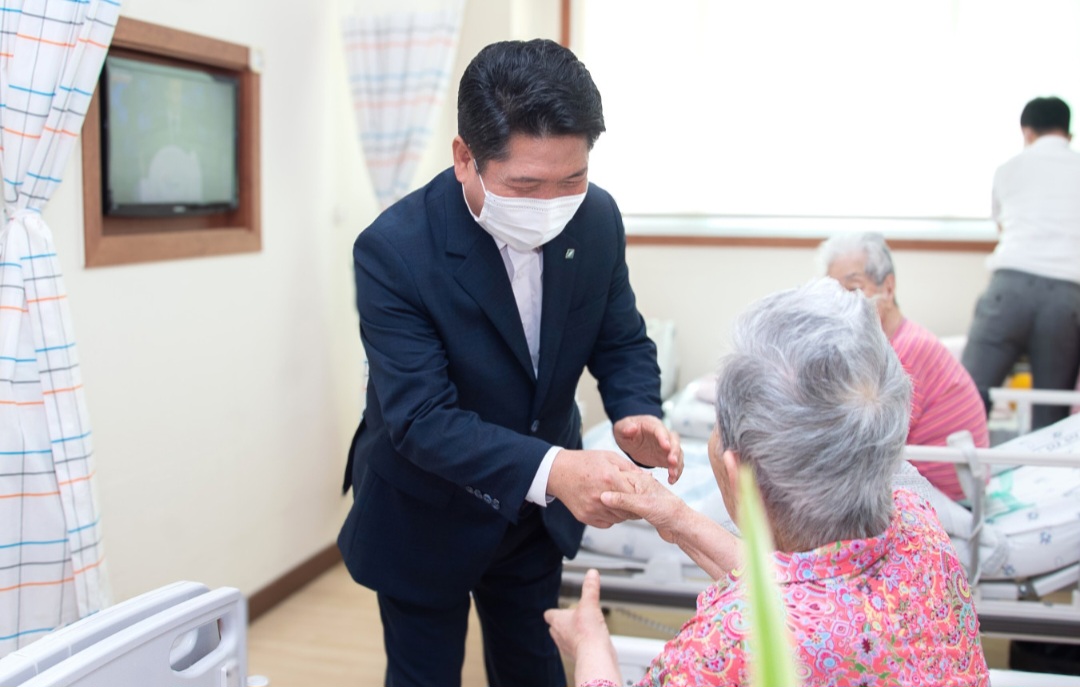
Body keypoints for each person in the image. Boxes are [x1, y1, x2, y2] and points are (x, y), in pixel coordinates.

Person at [338, 39, 682, 687]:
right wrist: (557, 469)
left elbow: (621, 337)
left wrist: (636, 408)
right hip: (424, 509)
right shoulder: (394, 251)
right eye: (526, 185)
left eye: (572, 179)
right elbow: (421, 419)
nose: (553, 203)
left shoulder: (598, 218)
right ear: (465, 157)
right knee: (424, 676)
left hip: (532, 517)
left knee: (533, 669)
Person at [546, 278, 991, 687]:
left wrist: (591, 646)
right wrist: (674, 516)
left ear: (743, 478)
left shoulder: (728, 644)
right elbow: (802, 585)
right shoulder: (922, 531)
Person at [819, 232, 989, 501]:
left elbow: (869, 443)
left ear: (888, 287)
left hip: (948, 495)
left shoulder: (905, 351)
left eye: (853, 290)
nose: (841, 306)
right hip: (927, 483)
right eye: (833, 294)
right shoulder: (890, 344)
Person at [962, 96, 1080, 431]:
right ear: (1068, 133)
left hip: (1009, 289)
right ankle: (1043, 481)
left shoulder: (1008, 169)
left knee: (970, 395)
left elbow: (1002, 227)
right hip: (1067, 298)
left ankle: (954, 481)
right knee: (1050, 413)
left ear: (1026, 132)